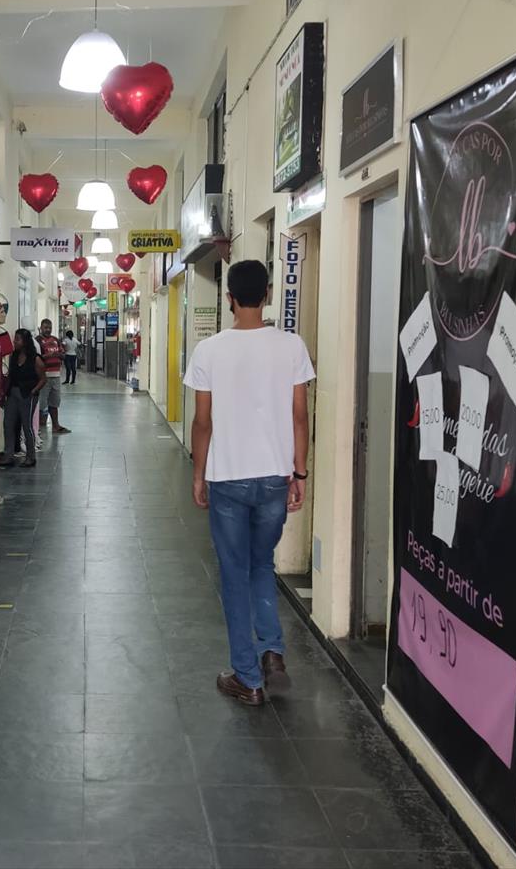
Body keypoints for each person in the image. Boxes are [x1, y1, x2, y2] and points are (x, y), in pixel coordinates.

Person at [184, 260, 314, 706]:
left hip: (228, 479)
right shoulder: (292, 346)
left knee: (234, 574)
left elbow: (203, 422)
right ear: (269, 293)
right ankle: (272, 652)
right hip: (275, 477)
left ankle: (247, 676)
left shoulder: (209, 351)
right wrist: (299, 472)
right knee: (262, 566)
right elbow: (300, 415)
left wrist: (199, 474)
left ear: (229, 299)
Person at [2, 327, 44, 468]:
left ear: (25, 341)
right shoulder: (13, 356)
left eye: (18, 339)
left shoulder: (35, 359)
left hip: (28, 395)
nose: (15, 341)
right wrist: (4, 393)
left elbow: (43, 379)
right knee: (8, 424)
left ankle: (31, 457)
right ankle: (8, 456)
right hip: (13, 393)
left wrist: (33, 391)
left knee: (27, 426)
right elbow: (10, 376)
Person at [37, 319, 70, 433]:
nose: (48, 330)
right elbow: (37, 358)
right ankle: (39, 426)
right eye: (45, 327)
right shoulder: (38, 341)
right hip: (44, 377)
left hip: (56, 376)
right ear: (41, 327)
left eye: (49, 327)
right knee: (42, 403)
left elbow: (64, 355)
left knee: (54, 402)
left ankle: (56, 425)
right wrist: (48, 355)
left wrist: (59, 355)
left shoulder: (56, 340)